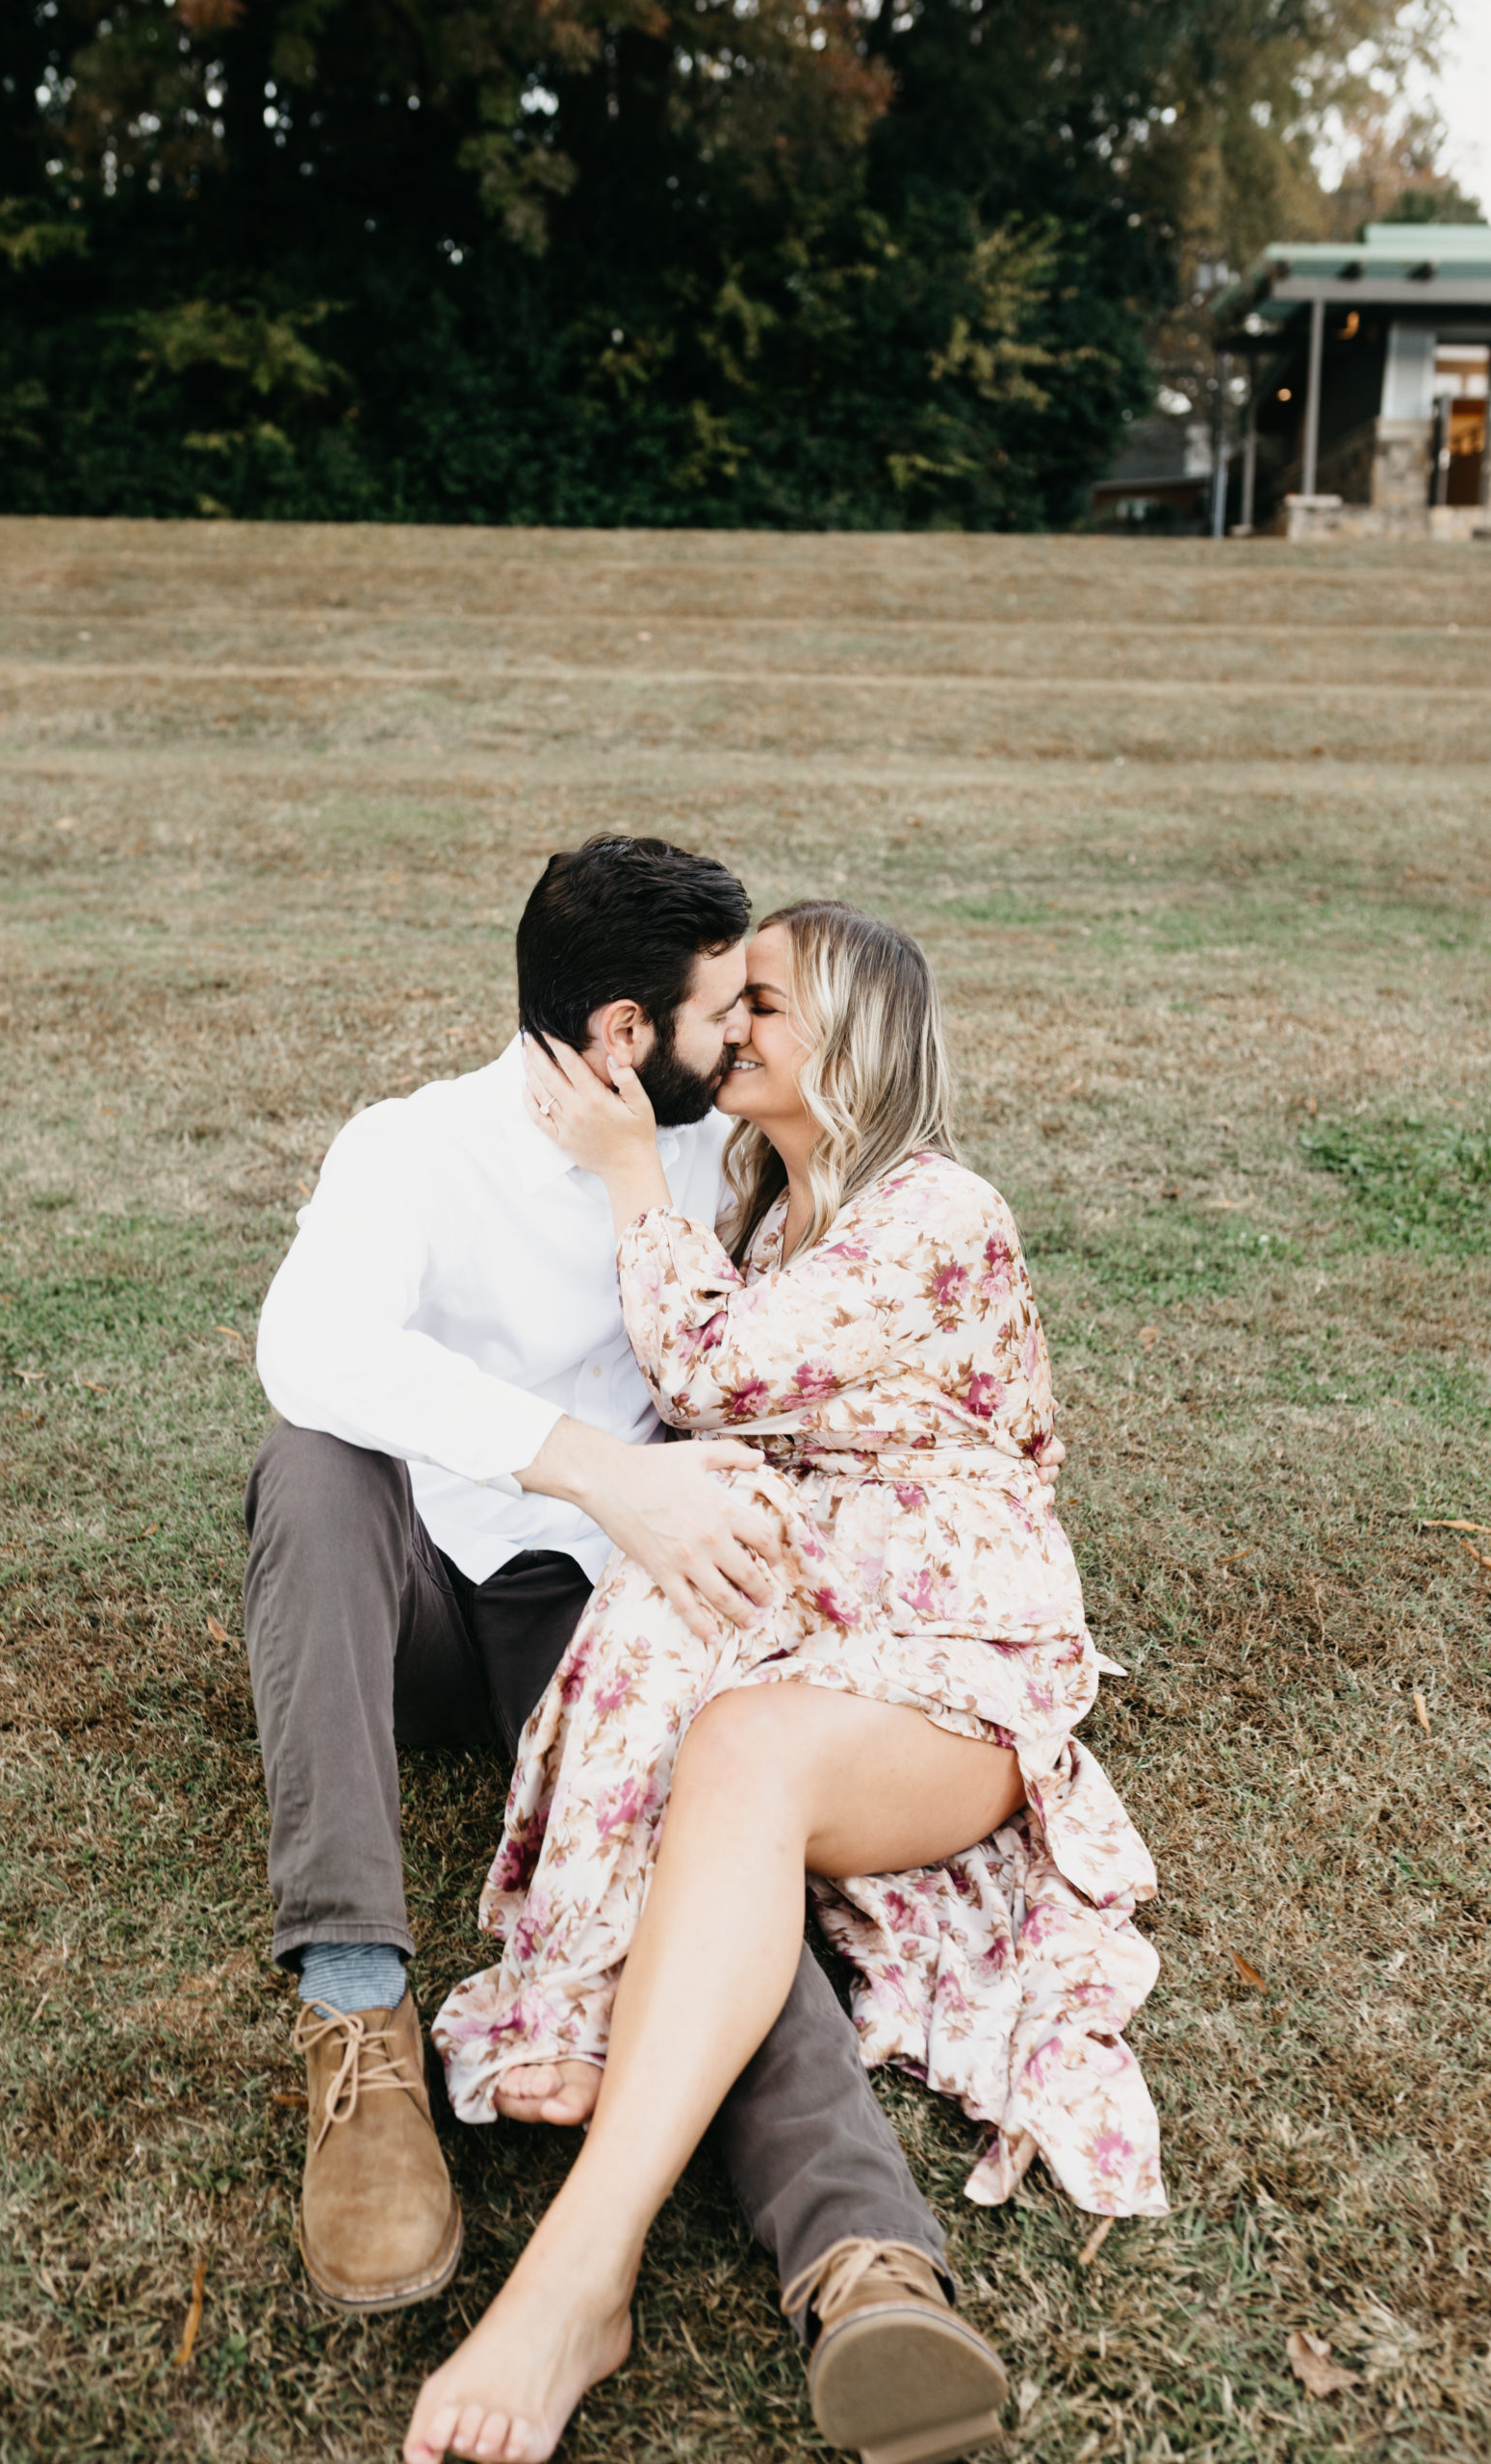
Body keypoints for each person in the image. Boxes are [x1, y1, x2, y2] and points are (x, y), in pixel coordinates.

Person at [244, 841, 1048, 2433]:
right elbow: (308, 1344)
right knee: (311, 1463)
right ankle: (357, 2014)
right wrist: (593, 1467)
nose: (741, 1033)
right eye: (718, 1010)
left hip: (605, 1603)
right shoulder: (414, 1149)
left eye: (757, 1006)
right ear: (624, 1034)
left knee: (717, 1835)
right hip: (417, 1592)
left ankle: (858, 2251)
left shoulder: (719, 1150)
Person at [409, 901, 1167, 2464]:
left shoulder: (938, 1211)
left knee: (742, 1741)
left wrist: (630, 1176)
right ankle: (591, 2043)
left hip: (958, 1671)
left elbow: (709, 1376)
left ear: (856, 1038)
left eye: (762, 1002)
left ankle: (578, 2275)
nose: (725, 1027)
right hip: (817, 1632)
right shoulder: (770, 1214)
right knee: (691, 1672)